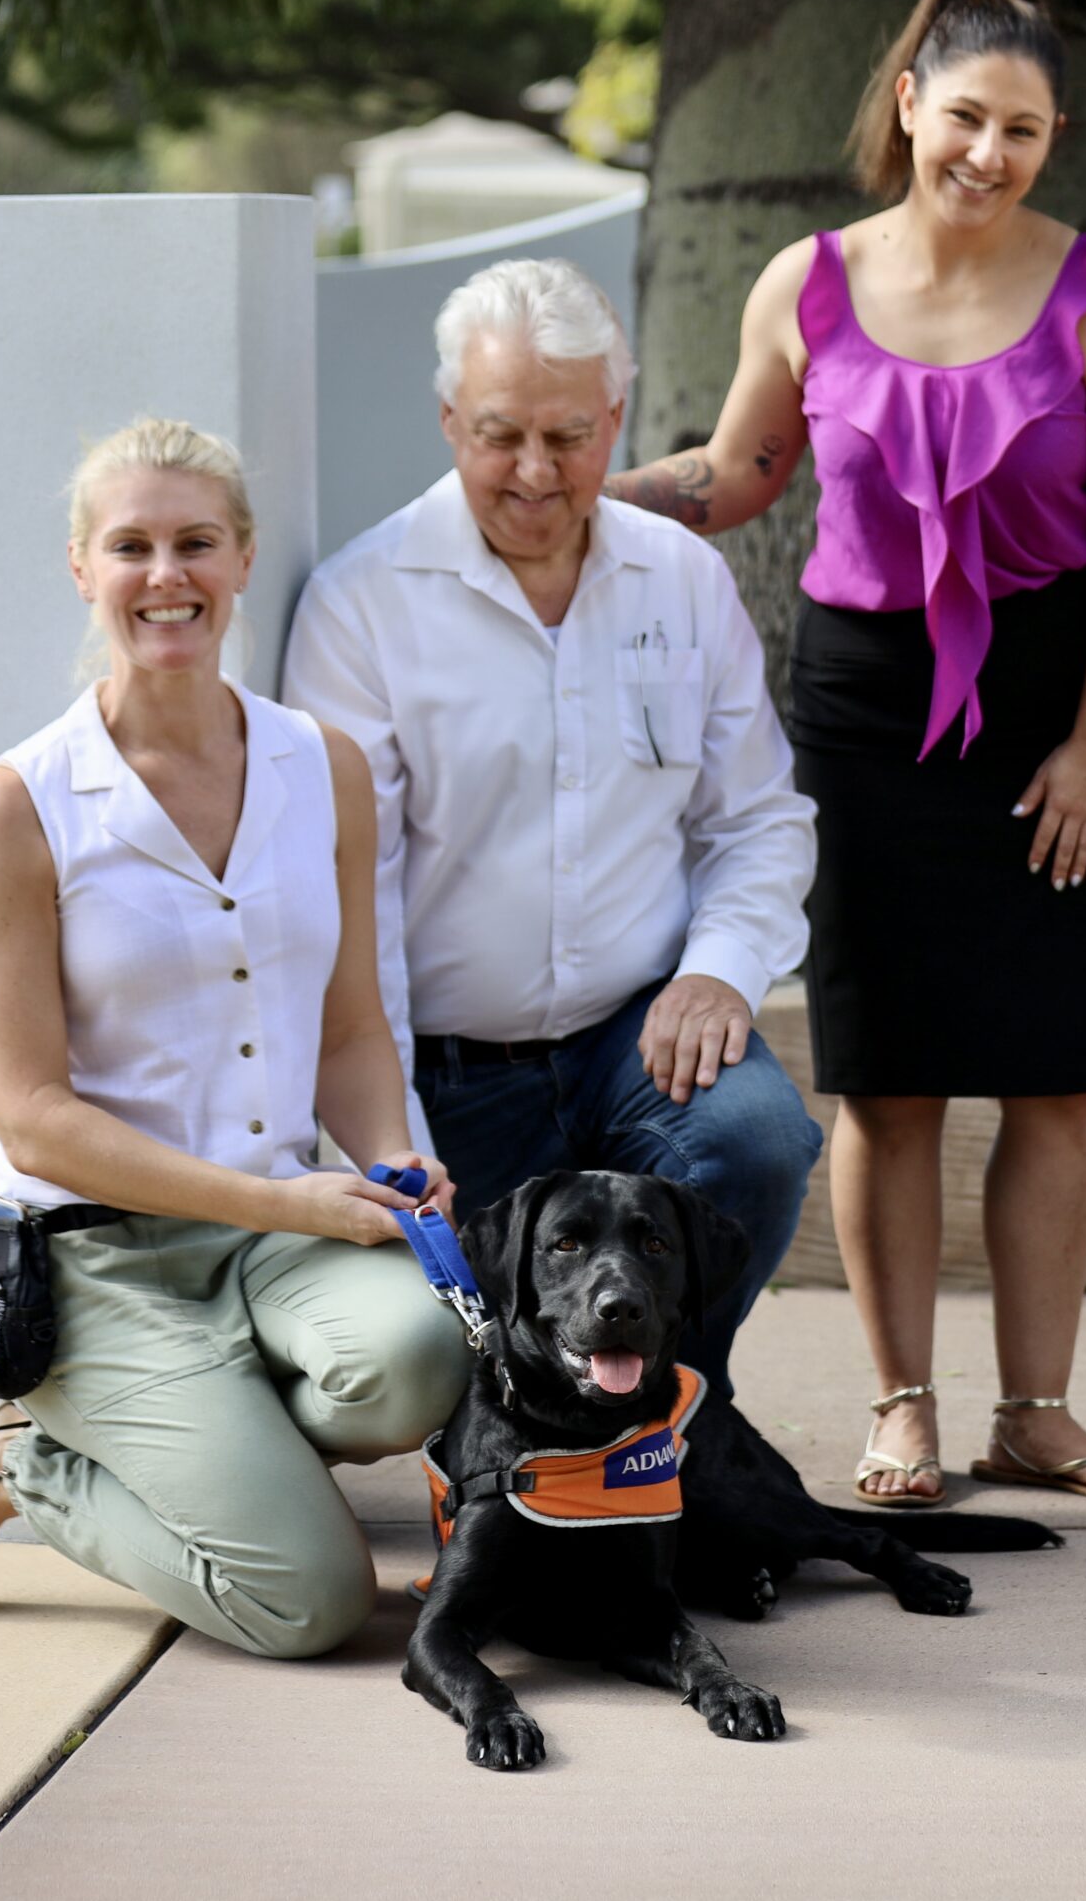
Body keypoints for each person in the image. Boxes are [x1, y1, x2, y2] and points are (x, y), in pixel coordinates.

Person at [605, 0, 1086, 1505]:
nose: (990, 156)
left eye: (1029, 133)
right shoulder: (803, 284)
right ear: (911, 100)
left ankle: (1039, 1411)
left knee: (1053, 1077)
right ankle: (906, 1408)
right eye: (970, 118)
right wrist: (566, 483)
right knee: (890, 1079)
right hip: (863, 711)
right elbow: (737, 477)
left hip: (1059, 708)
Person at [0, 420, 469, 1652]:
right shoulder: (16, 808)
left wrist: (393, 1158)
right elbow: (33, 1113)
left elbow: (353, 1024)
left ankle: (198, 1431)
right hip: (97, 1262)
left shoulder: (326, 768)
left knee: (420, 1359)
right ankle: (12, 1463)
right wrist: (292, 1205)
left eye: (196, 542)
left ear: (244, 557)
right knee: (311, 1603)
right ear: (82, 569)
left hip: (267, 1242)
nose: (168, 576)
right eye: (132, 546)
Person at [283, 261, 822, 1400]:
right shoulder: (361, 603)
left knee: (759, 1141)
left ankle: (675, 1418)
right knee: (455, 1378)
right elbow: (348, 897)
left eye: (567, 436)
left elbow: (758, 819)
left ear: (615, 420)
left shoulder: (683, 580)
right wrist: (394, 1135)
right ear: (447, 421)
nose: (534, 472)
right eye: (499, 435)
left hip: (629, 1038)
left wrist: (721, 974)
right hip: (446, 1068)